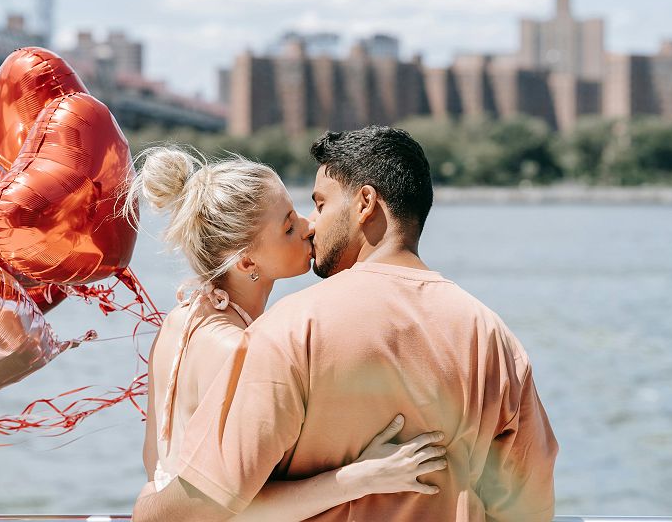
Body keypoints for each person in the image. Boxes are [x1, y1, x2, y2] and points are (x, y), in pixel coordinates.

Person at [132, 126, 559, 522]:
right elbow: (528, 506)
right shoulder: (492, 338)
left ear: (365, 203)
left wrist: (149, 502)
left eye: (320, 203)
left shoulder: (290, 330)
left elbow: (203, 502)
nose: (311, 223)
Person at [124, 146, 448, 521]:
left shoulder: (179, 322)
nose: (310, 226)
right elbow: (234, 512)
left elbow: (156, 465)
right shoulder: (238, 348)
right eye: (289, 226)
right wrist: (363, 477)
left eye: (297, 212)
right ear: (247, 261)